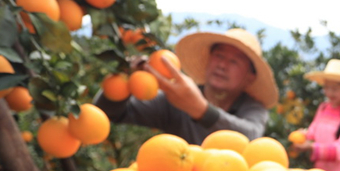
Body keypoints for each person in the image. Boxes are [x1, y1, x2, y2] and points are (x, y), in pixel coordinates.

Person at [94, 28, 278, 144]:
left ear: (249, 77)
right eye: (219, 56)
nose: (222, 65)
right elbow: (109, 113)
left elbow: (250, 137)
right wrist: (126, 79)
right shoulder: (175, 98)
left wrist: (200, 110)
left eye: (234, 61)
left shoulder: (253, 107)